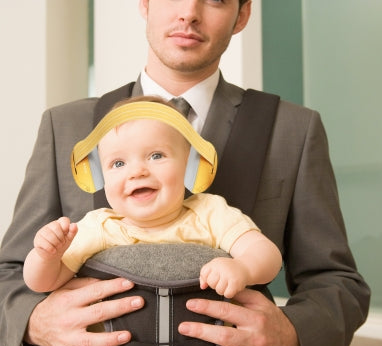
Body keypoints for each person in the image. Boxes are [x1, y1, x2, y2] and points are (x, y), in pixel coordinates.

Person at [0, 1, 370, 346]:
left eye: (215, 0)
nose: (189, 13)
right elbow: (12, 270)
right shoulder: (66, 125)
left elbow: (337, 282)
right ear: (144, 3)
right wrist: (38, 320)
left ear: (242, 15)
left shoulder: (292, 130)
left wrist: (291, 337)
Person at [23, 96, 282, 299]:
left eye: (156, 156)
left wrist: (244, 269)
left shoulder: (210, 213)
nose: (137, 171)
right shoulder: (98, 227)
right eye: (118, 163)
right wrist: (46, 257)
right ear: (101, 176)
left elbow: (266, 255)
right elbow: (42, 283)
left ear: (188, 166)